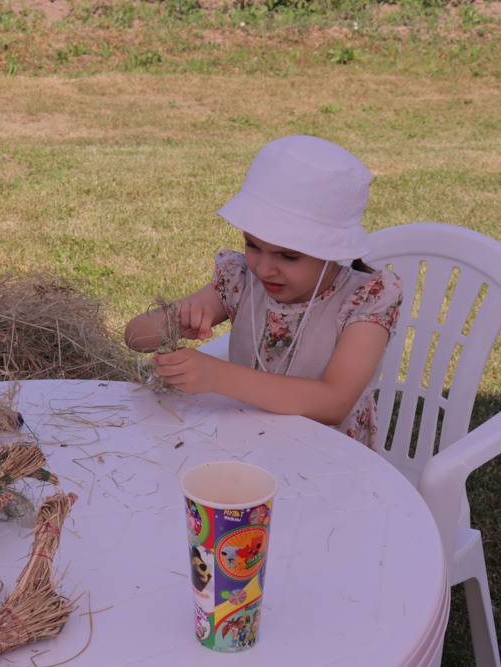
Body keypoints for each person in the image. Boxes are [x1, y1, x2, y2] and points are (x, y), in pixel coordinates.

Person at [125, 135, 402, 449]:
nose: (265, 268)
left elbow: (334, 402)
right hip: (245, 446)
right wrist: (174, 321)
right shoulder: (242, 280)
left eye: (288, 256)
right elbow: (135, 337)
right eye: (252, 245)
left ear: (332, 250)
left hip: (329, 459)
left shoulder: (367, 298)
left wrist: (218, 376)